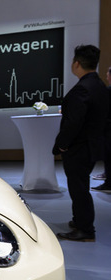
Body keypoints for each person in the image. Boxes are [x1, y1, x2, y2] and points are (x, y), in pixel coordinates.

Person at [53, 45, 109, 242]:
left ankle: (85, 230)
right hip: (92, 145)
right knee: (81, 186)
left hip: (79, 148)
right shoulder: (100, 86)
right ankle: (79, 221)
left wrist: (61, 145)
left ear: (76, 63)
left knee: (79, 190)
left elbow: (73, 123)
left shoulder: (82, 89)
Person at [91, 65, 111, 193]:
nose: (106, 76)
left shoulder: (108, 91)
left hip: (108, 128)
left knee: (109, 156)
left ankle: (108, 183)